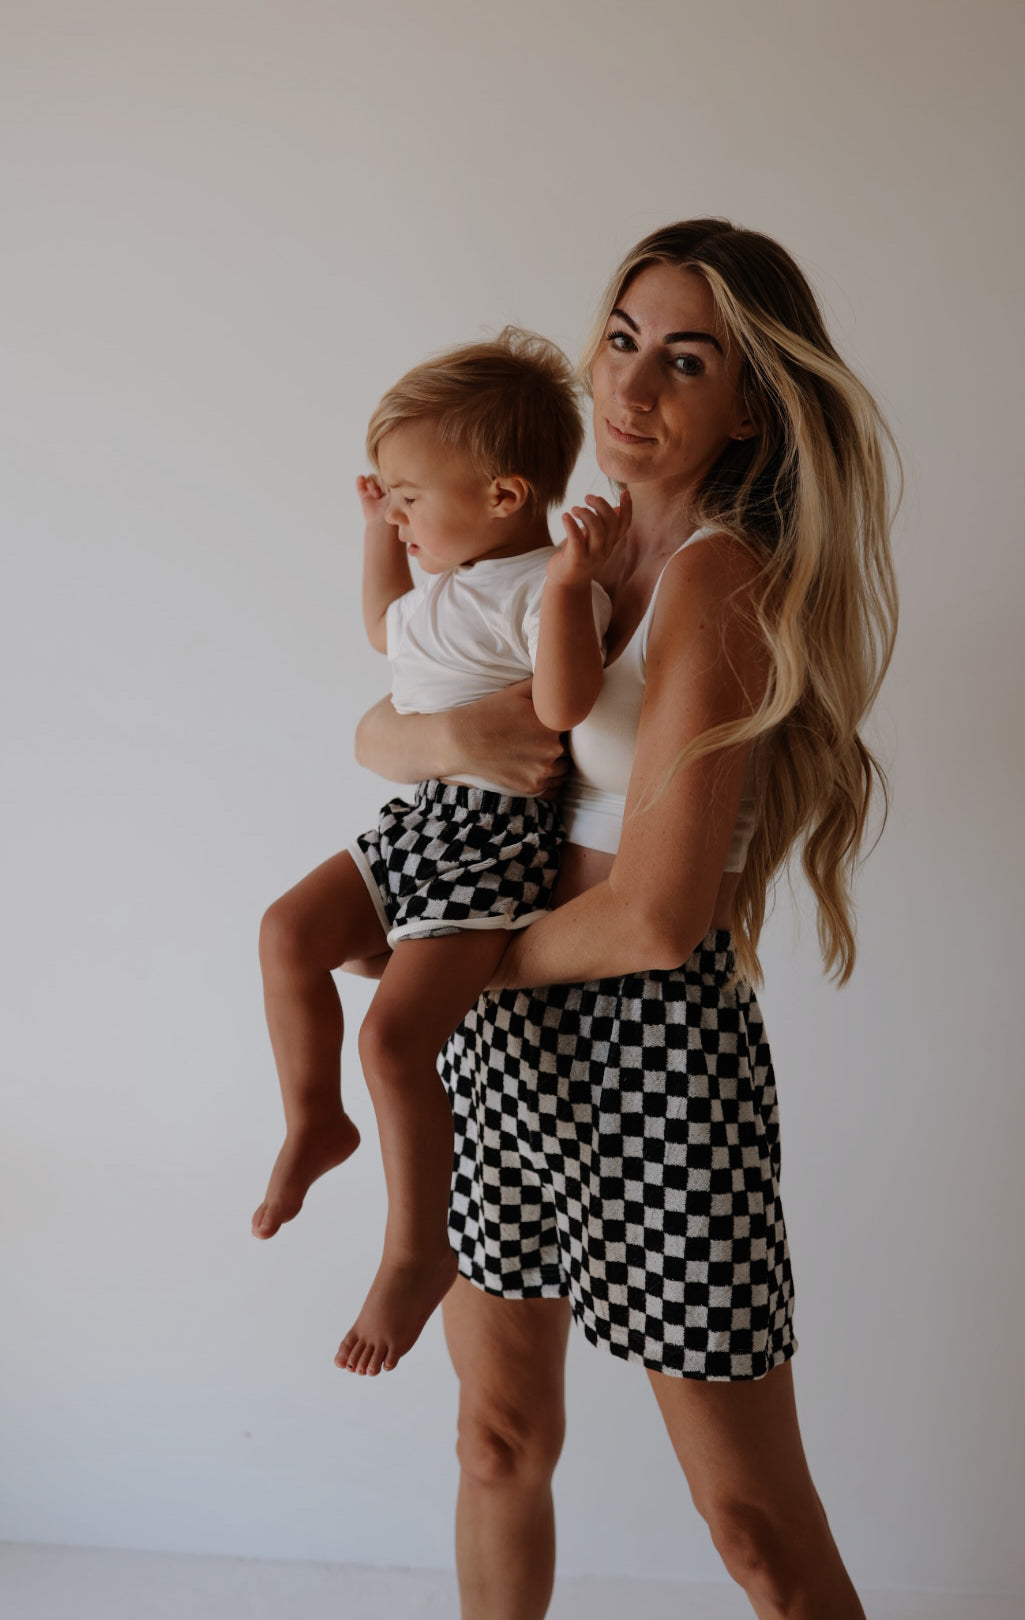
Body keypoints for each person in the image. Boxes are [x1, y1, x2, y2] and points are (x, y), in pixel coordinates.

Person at [349, 220, 900, 1618]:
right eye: (623, 339)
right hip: (503, 1042)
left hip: (653, 1059)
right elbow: (389, 719)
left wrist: (447, 968)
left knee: (750, 1521)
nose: (634, 387)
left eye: (688, 362)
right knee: (496, 1440)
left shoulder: (720, 578)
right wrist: (423, 758)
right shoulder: (548, 560)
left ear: (751, 410)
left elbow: (660, 921)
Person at [254, 329, 623, 1377]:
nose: (403, 514)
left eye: (414, 496)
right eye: (396, 498)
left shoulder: (552, 585)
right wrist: (377, 527)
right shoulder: (443, 585)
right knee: (287, 933)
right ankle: (316, 1122)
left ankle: (416, 1249)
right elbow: (385, 631)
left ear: (507, 495)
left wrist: (564, 592)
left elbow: (562, 705)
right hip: (420, 826)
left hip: (491, 846)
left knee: (395, 1044)